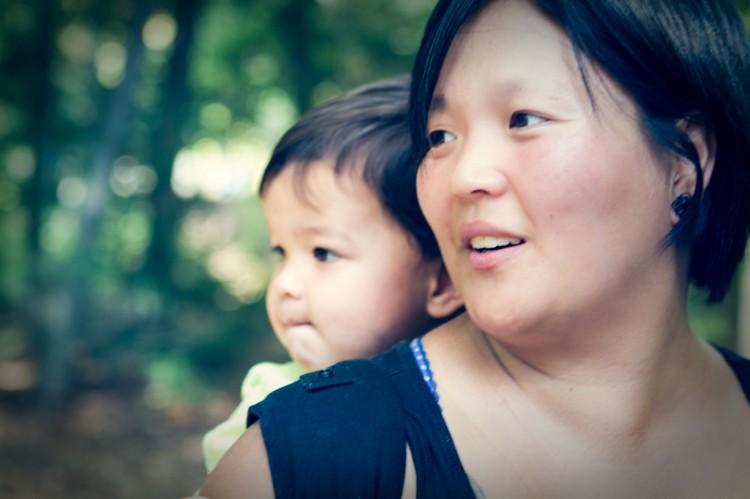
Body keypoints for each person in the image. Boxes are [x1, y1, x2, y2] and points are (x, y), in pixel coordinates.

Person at [200, 1, 750, 497]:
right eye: (439, 136)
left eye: (523, 119)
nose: (464, 175)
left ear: (687, 161)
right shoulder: (302, 465)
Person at [200, 75, 463, 473]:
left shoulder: (478, 411)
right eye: (281, 252)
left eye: (323, 252)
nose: (285, 284)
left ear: (443, 279)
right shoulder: (270, 408)